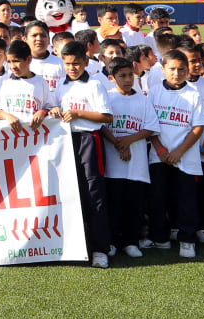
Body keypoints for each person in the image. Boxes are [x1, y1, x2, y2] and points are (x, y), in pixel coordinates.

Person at [146, 49, 204, 259]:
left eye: (181, 69)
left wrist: (180, 151)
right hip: (159, 155)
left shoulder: (193, 93)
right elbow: (149, 124)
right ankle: (160, 237)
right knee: (157, 198)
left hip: (186, 157)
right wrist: (161, 149)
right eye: (172, 69)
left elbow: (198, 127)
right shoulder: (154, 91)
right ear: (163, 69)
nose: (176, 73)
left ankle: (187, 239)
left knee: (187, 200)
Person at [56, 41, 114, 268]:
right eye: (68, 63)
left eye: (76, 63)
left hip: (90, 141)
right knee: (72, 193)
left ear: (86, 62)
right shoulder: (60, 86)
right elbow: (56, 110)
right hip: (65, 141)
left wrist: (79, 113)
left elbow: (106, 116)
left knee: (94, 192)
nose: (72, 68)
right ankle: (78, 247)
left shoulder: (95, 85)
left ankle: (101, 249)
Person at [99, 58, 159, 260]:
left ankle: (131, 241)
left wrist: (126, 141)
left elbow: (151, 127)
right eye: (121, 76)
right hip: (114, 162)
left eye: (129, 75)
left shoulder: (143, 99)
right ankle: (114, 241)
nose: (127, 80)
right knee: (115, 204)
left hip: (137, 162)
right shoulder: (107, 98)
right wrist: (118, 144)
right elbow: (102, 125)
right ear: (111, 77)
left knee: (135, 204)